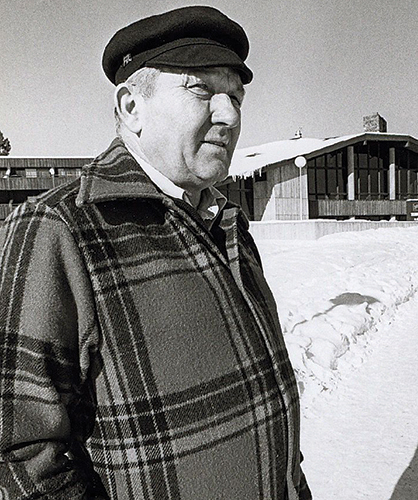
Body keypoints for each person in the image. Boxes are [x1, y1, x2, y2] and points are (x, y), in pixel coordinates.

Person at [0, 7, 312, 500]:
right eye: (201, 89)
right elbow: (20, 449)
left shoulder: (227, 222)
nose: (229, 115)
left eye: (235, 96)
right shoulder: (61, 226)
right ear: (131, 107)